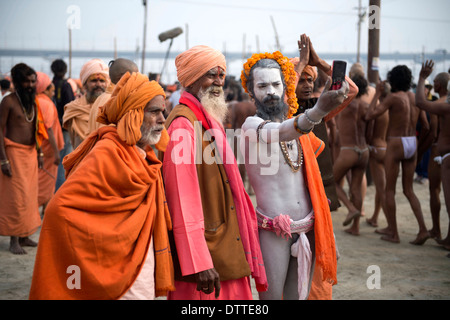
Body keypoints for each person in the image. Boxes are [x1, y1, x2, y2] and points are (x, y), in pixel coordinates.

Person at [29, 72, 174, 299]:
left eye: (163, 111)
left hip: (141, 260)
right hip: (111, 264)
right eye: (154, 111)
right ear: (134, 114)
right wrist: (106, 236)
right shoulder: (108, 150)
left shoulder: (144, 153)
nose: (163, 119)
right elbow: (60, 209)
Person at [239, 34, 351, 300]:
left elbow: (348, 92)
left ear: (284, 86)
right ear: (251, 91)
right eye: (262, 85)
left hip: (309, 227)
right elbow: (282, 132)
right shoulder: (251, 126)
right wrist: (318, 110)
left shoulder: (296, 122)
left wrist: (308, 63)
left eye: (276, 84)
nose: (270, 92)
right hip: (273, 231)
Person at [161, 45, 267, 300]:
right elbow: (182, 201)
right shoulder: (183, 126)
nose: (218, 81)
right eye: (211, 74)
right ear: (192, 78)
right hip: (206, 263)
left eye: (221, 74)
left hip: (222, 246)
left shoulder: (207, 118)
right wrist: (199, 261)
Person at [365, 65, 429, 244]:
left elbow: (370, 115)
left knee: (389, 190)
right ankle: (423, 229)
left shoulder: (393, 98)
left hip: (396, 142)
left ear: (392, 80)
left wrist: (377, 93)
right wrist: (420, 148)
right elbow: (426, 125)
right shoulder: (416, 97)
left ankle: (394, 233)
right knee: (409, 190)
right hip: (411, 142)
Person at [0, 63, 48, 254]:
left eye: (32, 81)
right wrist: (3, 159)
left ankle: (24, 236)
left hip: (30, 154)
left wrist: (40, 152)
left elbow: (37, 128)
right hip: (12, 155)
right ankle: (14, 240)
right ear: (18, 82)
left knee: (29, 197)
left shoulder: (32, 101)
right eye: (26, 81)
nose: (30, 85)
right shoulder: (8, 101)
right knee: (16, 198)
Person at [415, 60, 450, 250]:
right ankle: (441, 233)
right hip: (441, 152)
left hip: (440, 152)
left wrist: (421, 78)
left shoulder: (441, 104)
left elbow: (432, 130)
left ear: (437, 85)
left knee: (437, 192)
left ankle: (437, 229)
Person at [333, 74, 370, 235]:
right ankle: (355, 227)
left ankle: (350, 208)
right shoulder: (365, 105)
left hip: (348, 150)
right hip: (363, 150)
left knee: (330, 183)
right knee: (355, 187)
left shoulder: (344, 104)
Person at [63, 58, 109, 149]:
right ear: (84, 84)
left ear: (107, 84)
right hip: (81, 160)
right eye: (94, 81)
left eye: (102, 81)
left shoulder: (111, 108)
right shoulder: (74, 109)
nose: (98, 84)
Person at [35, 72, 64, 211]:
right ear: (45, 89)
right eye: (51, 90)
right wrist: (57, 152)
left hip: (41, 149)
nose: (53, 93)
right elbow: (49, 129)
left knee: (44, 180)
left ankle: (45, 211)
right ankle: (38, 210)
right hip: (49, 150)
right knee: (46, 182)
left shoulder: (35, 100)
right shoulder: (45, 103)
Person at [86, 58, 138, 135]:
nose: (138, 81)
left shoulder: (102, 98)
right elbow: (109, 136)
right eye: (136, 77)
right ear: (123, 77)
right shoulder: (114, 101)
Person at [50, 59, 75, 191]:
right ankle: (58, 192)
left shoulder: (49, 84)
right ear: (65, 70)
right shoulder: (66, 85)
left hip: (50, 128)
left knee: (53, 161)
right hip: (63, 129)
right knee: (62, 162)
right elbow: (71, 106)